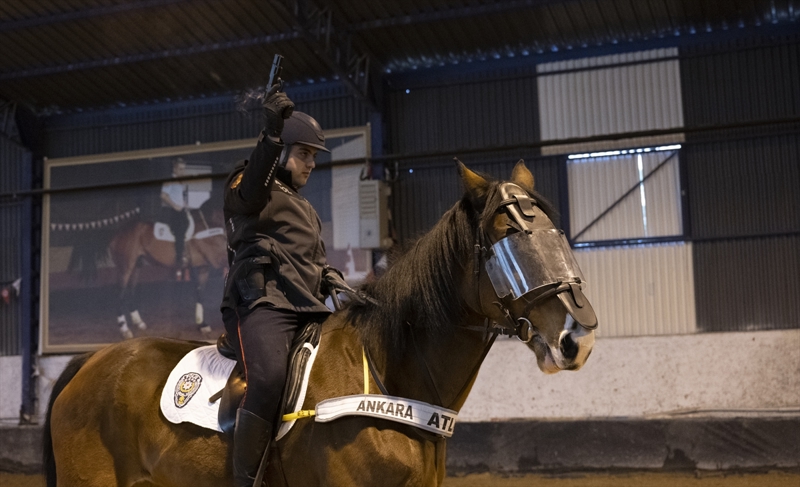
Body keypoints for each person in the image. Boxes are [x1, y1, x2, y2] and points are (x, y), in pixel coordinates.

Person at [221, 85, 340, 487]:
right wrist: (271, 135)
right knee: (270, 376)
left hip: (308, 307)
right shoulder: (248, 183)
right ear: (283, 150)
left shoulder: (304, 207)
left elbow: (308, 259)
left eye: (314, 156)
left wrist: (328, 275)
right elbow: (251, 188)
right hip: (264, 304)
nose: (311, 164)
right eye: (304, 153)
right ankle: (246, 481)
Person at [160, 157, 190, 277]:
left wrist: (184, 204)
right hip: (173, 211)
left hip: (181, 210)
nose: (183, 172)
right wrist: (175, 205)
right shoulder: (170, 180)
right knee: (180, 230)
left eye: (184, 169)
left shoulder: (181, 182)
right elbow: (163, 195)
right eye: (180, 169)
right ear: (175, 169)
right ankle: (179, 258)